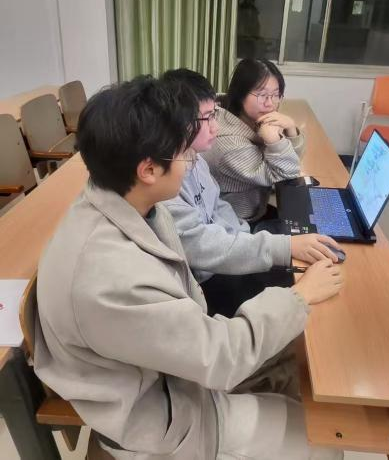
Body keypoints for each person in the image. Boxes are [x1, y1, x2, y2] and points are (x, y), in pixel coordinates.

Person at [34, 75, 343, 460]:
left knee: (296, 364)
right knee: (325, 443)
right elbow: (218, 357)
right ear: (148, 169)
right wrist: (300, 296)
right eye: (184, 153)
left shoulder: (127, 199)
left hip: (174, 372)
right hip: (164, 418)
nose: (193, 160)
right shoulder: (110, 278)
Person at [163, 69, 343, 317]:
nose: (215, 126)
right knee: (310, 289)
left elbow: (217, 206)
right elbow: (201, 246)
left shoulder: (194, 156)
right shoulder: (169, 178)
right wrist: (282, 248)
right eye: (207, 118)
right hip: (209, 278)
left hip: (233, 243)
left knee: (309, 261)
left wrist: (247, 236)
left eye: (276, 95)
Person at [203, 58, 304, 224]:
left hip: (257, 208)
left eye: (276, 95)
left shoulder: (247, 117)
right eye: (262, 95)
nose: (270, 103)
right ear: (240, 94)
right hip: (238, 223)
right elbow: (288, 172)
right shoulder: (229, 145)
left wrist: (291, 129)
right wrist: (274, 140)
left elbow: (292, 161)